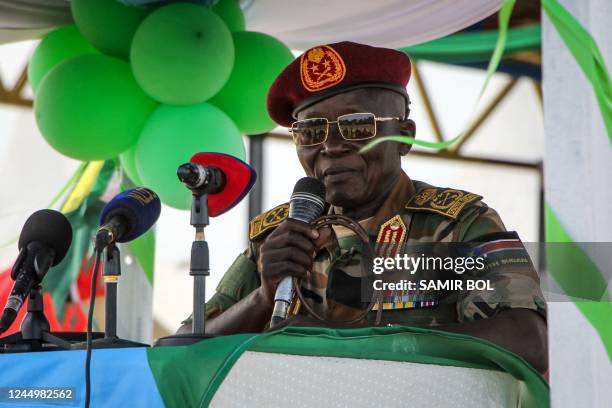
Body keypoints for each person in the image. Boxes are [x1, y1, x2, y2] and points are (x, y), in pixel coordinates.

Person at [178, 42, 547, 373]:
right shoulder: (278, 236)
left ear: (404, 135)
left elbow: (527, 340)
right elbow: (182, 350)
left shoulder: (458, 225)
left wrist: (348, 341)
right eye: (311, 131)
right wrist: (263, 296)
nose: (331, 145)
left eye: (356, 126)